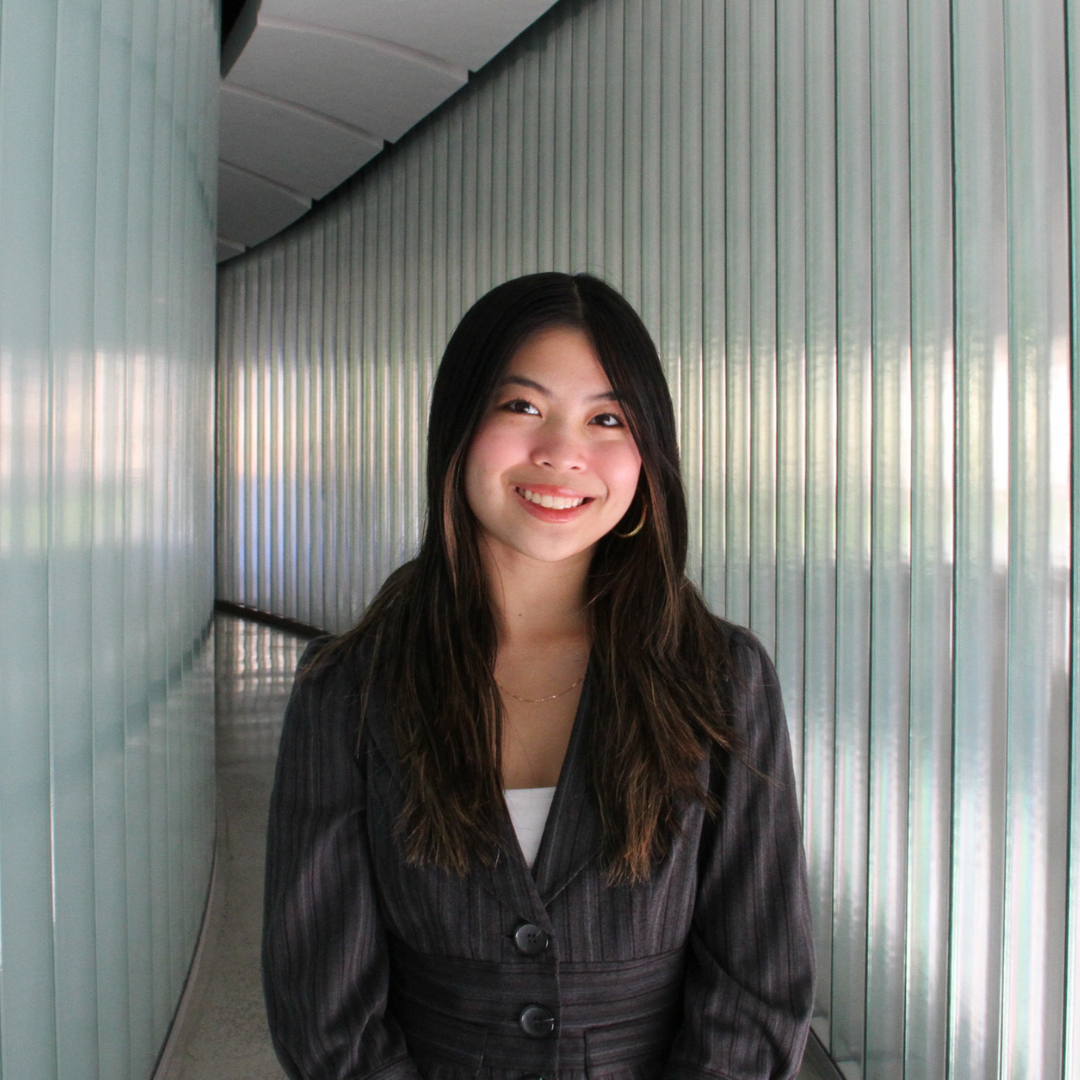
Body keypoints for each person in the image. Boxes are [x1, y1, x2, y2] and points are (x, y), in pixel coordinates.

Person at [262, 272, 815, 1080]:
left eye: (607, 418)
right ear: (459, 427)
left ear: (647, 455)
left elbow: (757, 986)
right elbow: (324, 1009)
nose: (561, 452)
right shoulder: (350, 688)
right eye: (522, 406)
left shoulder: (721, 680)